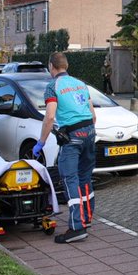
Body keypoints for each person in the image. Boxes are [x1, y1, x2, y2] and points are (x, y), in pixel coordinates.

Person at [35, 51, 96, 244]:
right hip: (89, 133)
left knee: (70, 180)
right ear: (67, 66)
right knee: (85, 178)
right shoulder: (80, 84)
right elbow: (93, 114)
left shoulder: (52, 87)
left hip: (72, 137)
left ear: (51, 67)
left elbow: (50, 117)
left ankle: (77, 228)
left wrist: (41, 142)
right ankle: (86, 219)